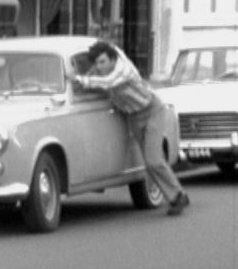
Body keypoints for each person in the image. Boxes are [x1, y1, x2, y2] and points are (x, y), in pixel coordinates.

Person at [71, 40, 190, 216]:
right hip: (132, 116)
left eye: (103, 62)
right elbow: (97, 77)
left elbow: (108, 83)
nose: (99, 66)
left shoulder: (123, 69)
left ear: (112, 59)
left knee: (153, 159)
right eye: (96, 63)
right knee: (149, 164)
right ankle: (174, 196)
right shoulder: (102, 68)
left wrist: (81, 80)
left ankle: (178, 195)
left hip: (152, 111)